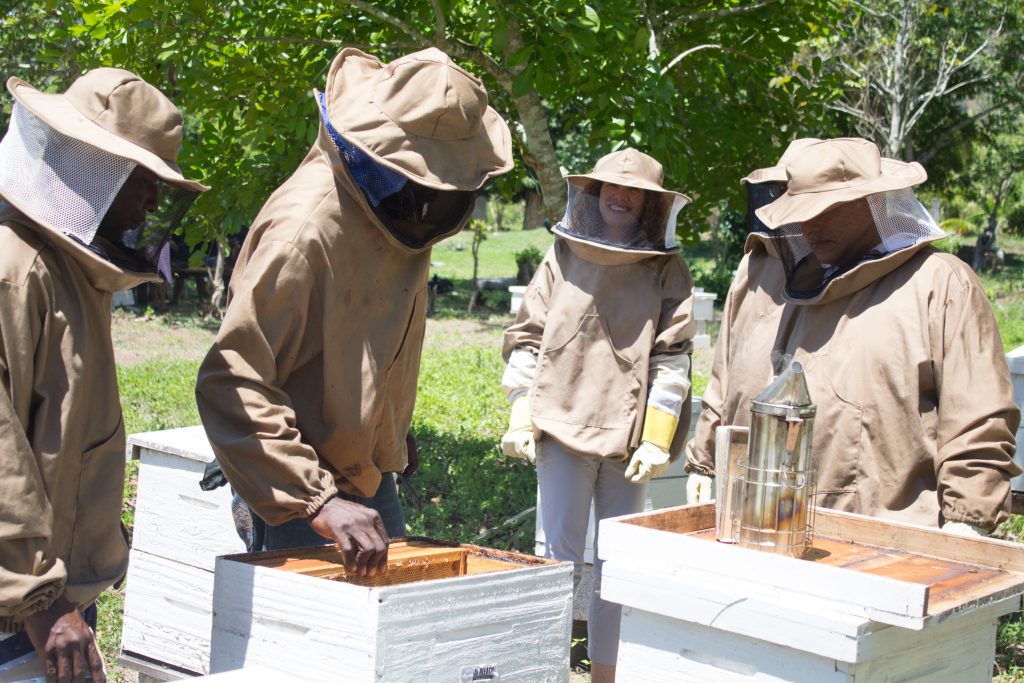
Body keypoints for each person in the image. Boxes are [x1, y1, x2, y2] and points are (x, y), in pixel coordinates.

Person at [195, 47, 513, 576]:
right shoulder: (302, 234)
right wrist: (317, 502)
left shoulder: (406, 205)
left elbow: (359, 336)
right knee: (310, 625)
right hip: (300, 480)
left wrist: (386, 427)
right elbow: (232, 381)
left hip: (364, 468)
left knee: (390, 609)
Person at [686, 137, 1020, 535]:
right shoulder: (779, 275)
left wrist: (968, 518)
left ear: (872, 203)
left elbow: (977, 416)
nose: (808, 226)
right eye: (798, 209)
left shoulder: (940, 283)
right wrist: (705, 459)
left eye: (826, 210)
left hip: (888, 541)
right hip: (763, 522)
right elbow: (730, 379)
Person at [0, 68, 207, 682]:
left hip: (53, 597)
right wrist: (38, 602)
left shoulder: (70, 265)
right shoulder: (15, 270)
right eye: (144, 182)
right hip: (20, 612)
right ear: (96, 169)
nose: (153, 204)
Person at [501, 148, 695, 681]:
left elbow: (672, 358)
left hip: (629, 442)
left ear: (652, 204)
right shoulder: (562, 253)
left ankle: (605, 677)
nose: (621, 196)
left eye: (634, 191)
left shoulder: (667, 268)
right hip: (561, 427)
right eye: (612, 186)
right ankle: (546, 672)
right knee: (557, 562)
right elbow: (529, 338)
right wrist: (521, 413)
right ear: (594, 192)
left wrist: (657, 436)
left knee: (616, 566)